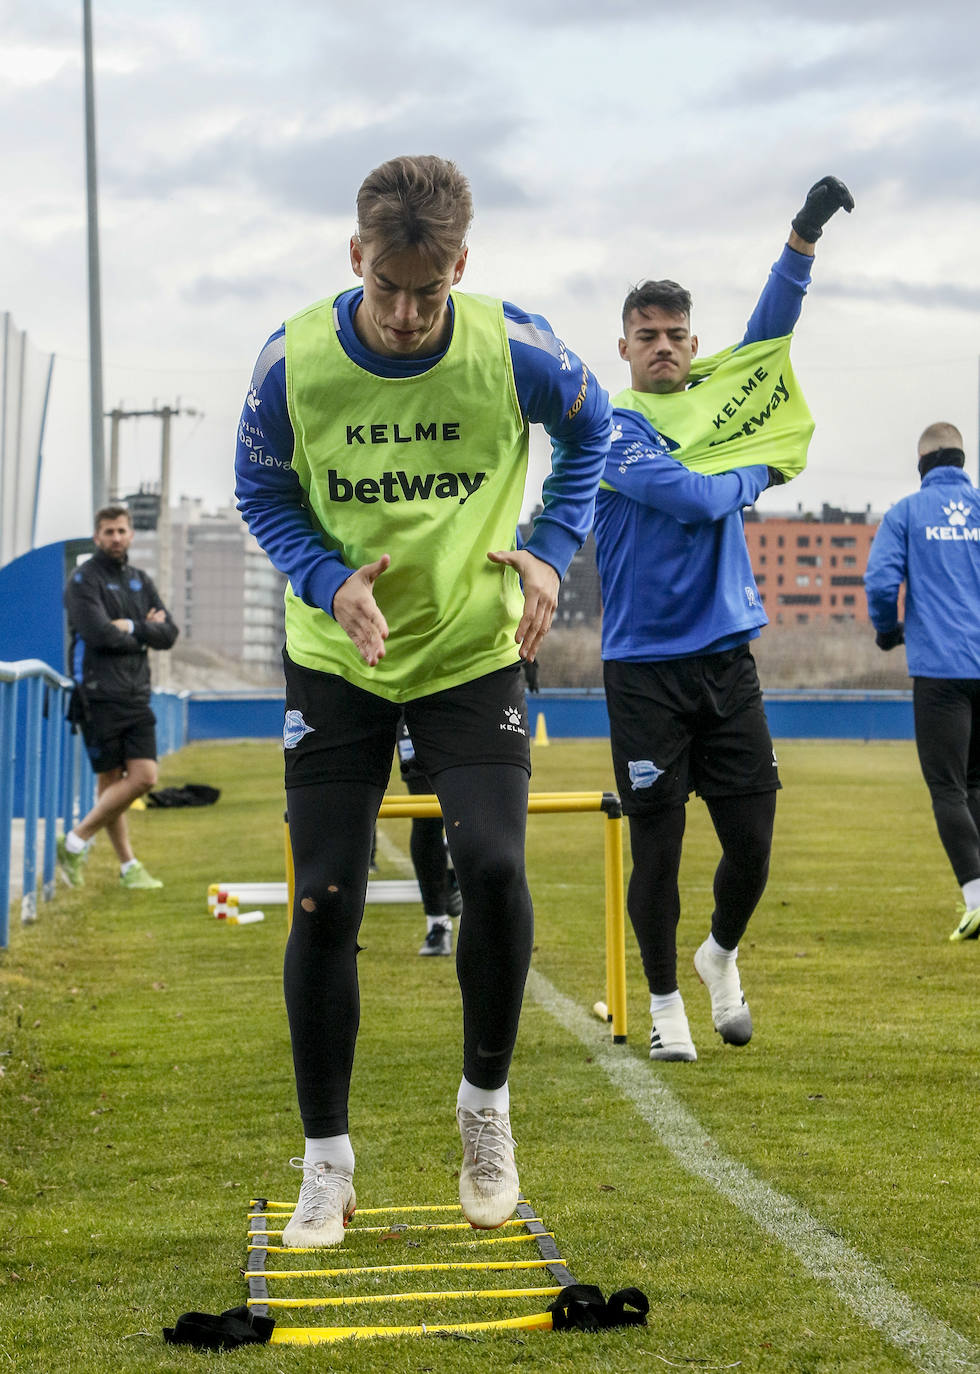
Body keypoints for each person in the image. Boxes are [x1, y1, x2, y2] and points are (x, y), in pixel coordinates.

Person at [234, 154, 610, 1245]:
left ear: (461, 267)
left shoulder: (516, 348)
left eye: (428, 292)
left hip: (468, 644)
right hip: (337, 651)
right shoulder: (290, 363)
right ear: (354, 258)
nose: (404, 315)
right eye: (387, 288)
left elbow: (592, 435)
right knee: (326, 899)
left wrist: (548, 550)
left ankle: (484, 1112)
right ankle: (325, 1160)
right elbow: (260, 487)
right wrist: (325, 580)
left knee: (492, 864)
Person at [593, 177, 854, 1062]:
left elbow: (770, 340)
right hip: (642, 669)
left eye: (675, 336)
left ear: (692, 343)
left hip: (726, 659)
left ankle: (719, 955)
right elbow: (696, 499)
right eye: (646, 336)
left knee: (752, 850)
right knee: (657, 856)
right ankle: (666, 1009)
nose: (662, 347)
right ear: (622, 347)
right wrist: (761, 475)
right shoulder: (610, 424)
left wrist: (803, 236)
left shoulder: (717, 398)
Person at [865, 422, 980, 943]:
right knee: (976, 784)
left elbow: (881, 579)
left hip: (941, 671)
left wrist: (889, 632)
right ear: (961, 459)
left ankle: (976, 899)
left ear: (922, 466)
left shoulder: (907, 513)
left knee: (948, 789)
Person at [59, 504, 179, 890]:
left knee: (142, 777)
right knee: (112, 782)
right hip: (98, 693)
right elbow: (97, 634)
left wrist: (129, 626)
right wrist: (144, 630)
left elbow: (170, 634)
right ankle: (128, 867)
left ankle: (75, 841)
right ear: (97, 537)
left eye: (121, 530)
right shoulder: (83, 580)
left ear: (131, 534)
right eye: (108, 531)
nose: (115, 537)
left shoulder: (140, 581)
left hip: (135, 693)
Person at [395, 716, 463, 957]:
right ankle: (438, 923)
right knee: (427, 815)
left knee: (473, 809)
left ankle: (452, 859)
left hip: (464, 700)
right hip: (410, 702)